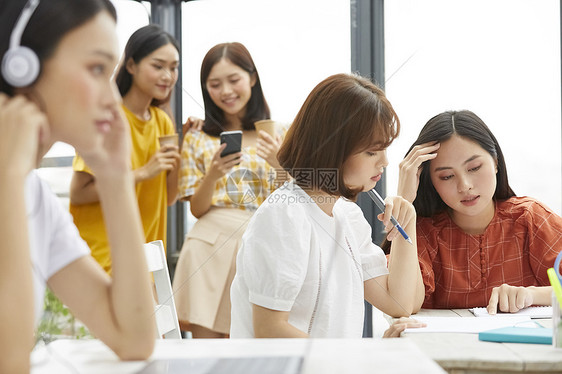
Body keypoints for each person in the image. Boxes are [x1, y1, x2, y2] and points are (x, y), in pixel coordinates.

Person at [0, 0, 155, 372]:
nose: (113, 98)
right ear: (22, 67)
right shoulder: (14, 185)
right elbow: (10, 360)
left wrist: (115, 177)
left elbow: (134, 339)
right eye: (97, 68)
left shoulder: (32, 194)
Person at [229, 73, 425, 339]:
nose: (384, 162)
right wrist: (358, 358)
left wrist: (408, 220)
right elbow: (269, 330)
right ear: (334, 148)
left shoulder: (347, 214)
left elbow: (401, 303)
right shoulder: (284, 216)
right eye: (372, 151)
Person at [172, 42, 286, 338]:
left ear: (252, 78)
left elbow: (289, 201)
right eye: (214, 84)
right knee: (207, 352)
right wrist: (213, 174)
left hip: (261, 241)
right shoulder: (197, 138)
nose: (225, 91)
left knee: (253, 347)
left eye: (233, 80)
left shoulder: (278, 135)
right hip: (207, 246)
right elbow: (197, 210)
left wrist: (278, 164)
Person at [397, 110, 562, 314]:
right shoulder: (422, 233)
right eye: (447, 176)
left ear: (495, 162)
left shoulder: (530, 218)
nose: (465, 186)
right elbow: (402, 303)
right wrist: (403, 201)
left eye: (474, 168)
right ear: (430, 183)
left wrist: (530, 295)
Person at [69, 24, 181, 274]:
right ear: (131, 65)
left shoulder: (162, 121)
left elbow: (170, 196)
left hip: (146, 258)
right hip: (104, 257)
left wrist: (183, 142)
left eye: (173, 68)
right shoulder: (107, 118)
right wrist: (143, 172)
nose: (168, 76)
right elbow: (79, 193)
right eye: (158, 66)